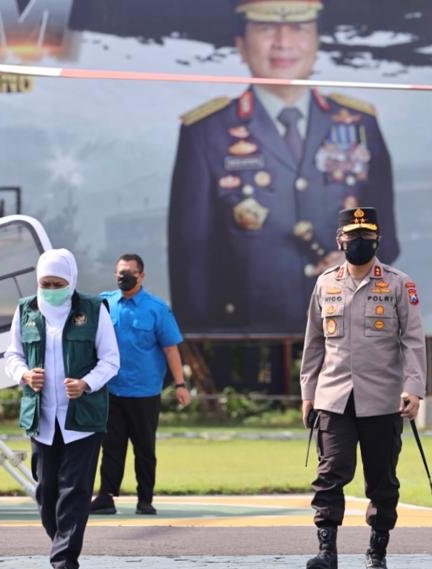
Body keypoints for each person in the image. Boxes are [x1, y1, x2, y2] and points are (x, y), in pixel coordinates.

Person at [168, 0, 398, 336]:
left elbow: (387, 236)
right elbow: (191, 258)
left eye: (298, 28)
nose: (283, 42)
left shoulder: (360, 122)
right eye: (265, 28)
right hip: (247, 338)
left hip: (345, 330)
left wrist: (357, 263)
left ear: (317, 41)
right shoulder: (206, 131)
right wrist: (200, 345)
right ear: (241, 45)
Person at [299, 207, 425, 569]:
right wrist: (308, 392)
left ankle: (377, 552)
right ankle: (327, 554)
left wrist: (414, 388)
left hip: (384, 398)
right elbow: (314, 342)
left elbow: (413, 341)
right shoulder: (325, 284)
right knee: (331, 473)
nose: (358, 242)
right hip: (334, 396)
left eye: (366, 236)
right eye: (352, 236)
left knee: (382, 479)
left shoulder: (400, 284)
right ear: (340, 240)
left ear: (377, 240)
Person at [3, 248, 120, 569]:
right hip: (42, 418)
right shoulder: (26, 311)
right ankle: (61, 540)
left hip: (82, 419)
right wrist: (24, 374)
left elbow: (111, 360)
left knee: (75, 489)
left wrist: (86, 383)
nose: (51, 289)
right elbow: (12, 355)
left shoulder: (95, 311)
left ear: (71, 282)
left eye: (57, 283)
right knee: (46, 491)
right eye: (45, 283)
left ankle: (65, 560)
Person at [90, 254, 191, 516]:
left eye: (130, 272)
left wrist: (180, 384)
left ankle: (145, 499)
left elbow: (171, 349)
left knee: (145, 448)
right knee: (111, 446)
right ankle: (106, 496)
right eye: (120, 272)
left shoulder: (156, 308)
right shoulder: (104, 303)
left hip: (145, 392)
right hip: (111, 389)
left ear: (142, 275)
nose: (124, 276)